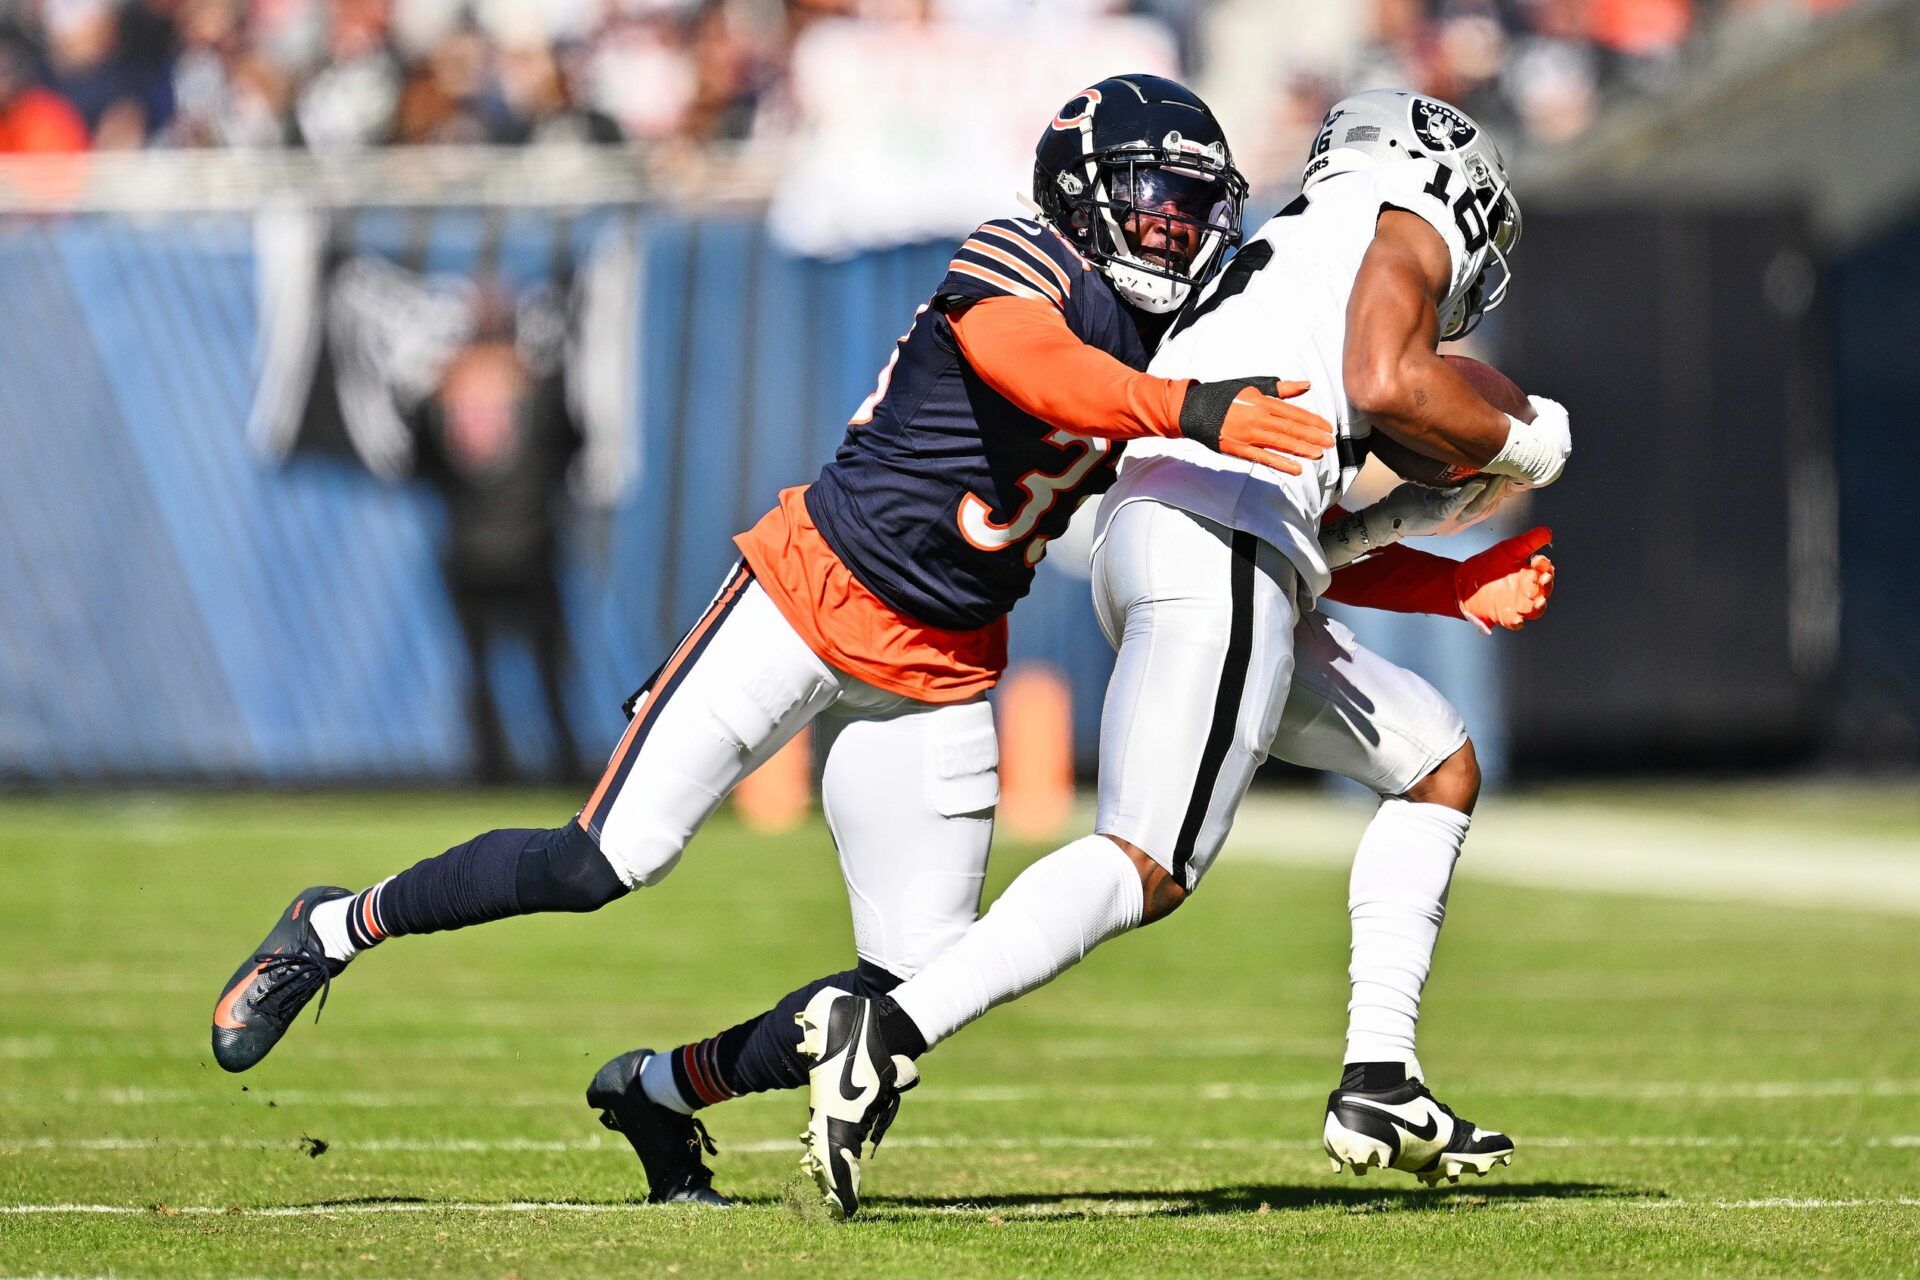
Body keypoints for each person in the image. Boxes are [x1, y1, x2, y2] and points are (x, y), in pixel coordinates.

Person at [208, 75, 1334, 1202]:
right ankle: (333, 925)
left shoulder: (1191, 328)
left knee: (912, 995)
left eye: (1193, 207)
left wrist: (1441, 550)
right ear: (1083, 197)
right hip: (810, 591)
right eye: (1151, 203)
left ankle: (657, 1090)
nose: (1174, 229)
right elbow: (1028, 363)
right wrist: (1186, 405)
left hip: (941, 669)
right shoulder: (1021, 255)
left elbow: (1297, 456)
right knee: (604, 858)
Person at [795, 89, 1573, 1218]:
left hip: (1189, 541)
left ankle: (1381, 1078)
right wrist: (1531, 437)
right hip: (1216, 547)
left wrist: (1446, 573)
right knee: (1145, 863)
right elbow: (1390, 386)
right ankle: (894, 1026)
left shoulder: (1296, 256)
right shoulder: (1405, 213)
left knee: (1435, 760)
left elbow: (1309, 540)